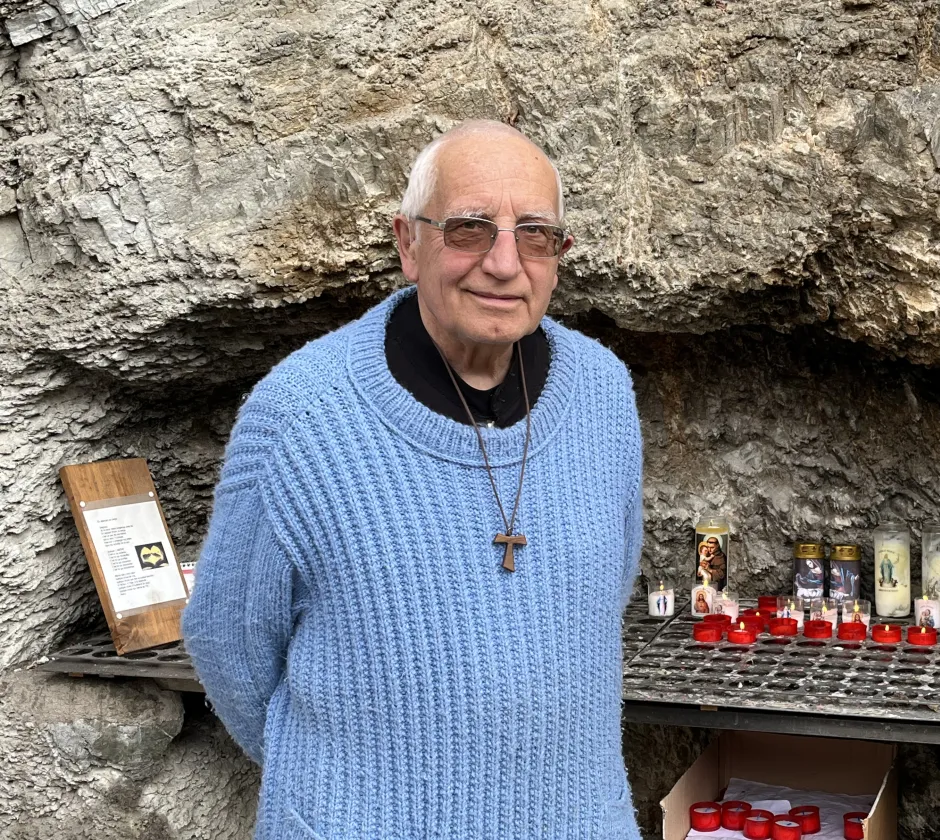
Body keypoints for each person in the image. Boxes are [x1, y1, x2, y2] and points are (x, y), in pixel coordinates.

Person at [181, 120, 645, 839]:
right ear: (407, 243)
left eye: (535, 234)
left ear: (558, 256)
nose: (503, 263)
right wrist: (335, 794)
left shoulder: (604, 393)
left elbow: (599, 597)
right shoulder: (301, 414)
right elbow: (227, 641)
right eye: (468, 229)